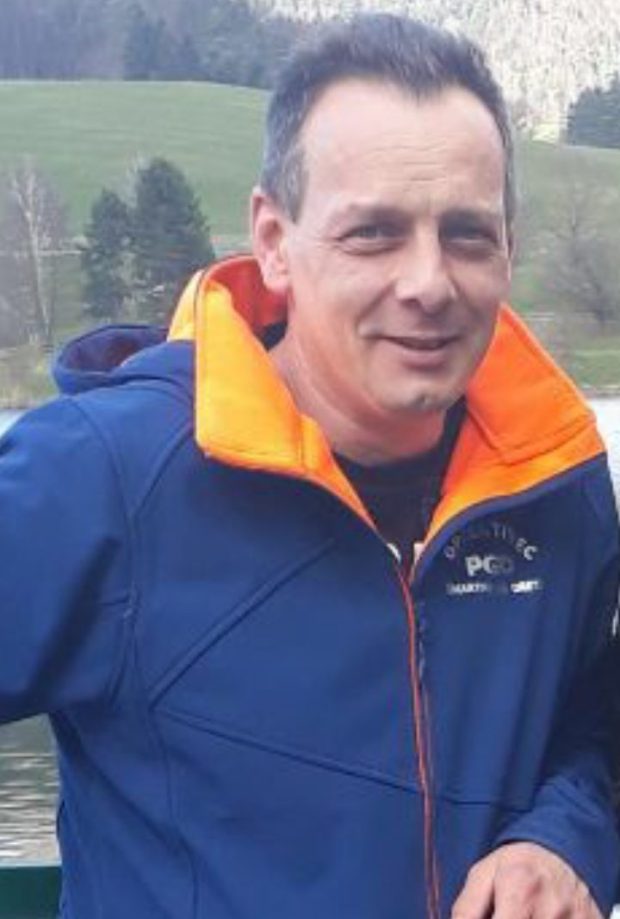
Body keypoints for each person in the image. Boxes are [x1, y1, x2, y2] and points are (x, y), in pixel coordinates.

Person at [0, 13, 618, 919]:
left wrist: (566, 838)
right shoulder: (104, 475)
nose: (428, 283)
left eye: (467, 234)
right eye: (373, 233)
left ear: (509, 248)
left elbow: (594, 719)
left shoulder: (553, 477)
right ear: (274, 240)